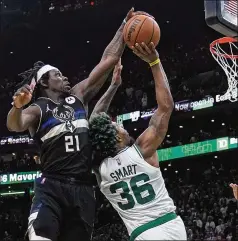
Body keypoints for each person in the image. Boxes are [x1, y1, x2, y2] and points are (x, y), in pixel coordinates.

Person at [6, 8, 150, 241]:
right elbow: (15, 125)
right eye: (58, 75)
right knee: (42, 236)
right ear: (44, 82)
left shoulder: (77, 96)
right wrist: (17, 106)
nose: (64, 78)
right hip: (52, 185)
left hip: (83, 189)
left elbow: (109, 59)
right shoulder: (36, 109)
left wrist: (125, 26)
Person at [89, 42, 187, 240]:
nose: (122, 127)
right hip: (170, 226)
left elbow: (94, 121)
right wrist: (155, 62)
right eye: (118, 126)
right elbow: (166, 107)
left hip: (142, 234)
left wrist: (114, 86)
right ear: (116, 136)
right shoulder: (142, 150)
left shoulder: (99, 169)